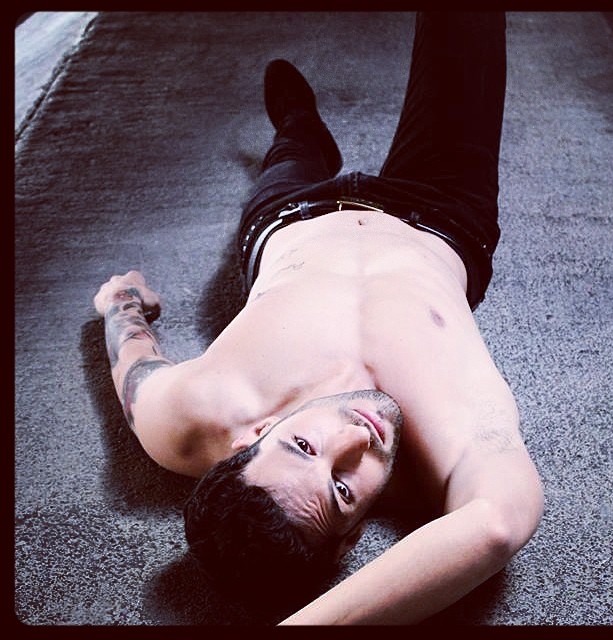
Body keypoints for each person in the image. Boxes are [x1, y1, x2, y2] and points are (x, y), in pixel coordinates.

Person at [93, 12, 544, 625]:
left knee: (294, 152)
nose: (357, 438)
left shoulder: (186, 419)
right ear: (352, 538)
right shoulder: (450, 441)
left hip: (291, 215)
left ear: (253, 437)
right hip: (440, 217)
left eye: (303, 446)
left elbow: (131, 354)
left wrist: (121, 301)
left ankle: (300, 125)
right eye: (342, 490)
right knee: (466, 31)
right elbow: (495, 527)